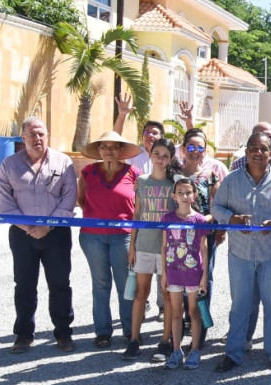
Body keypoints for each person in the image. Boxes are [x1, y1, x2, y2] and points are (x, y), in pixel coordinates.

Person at [211, 133, 271, 373]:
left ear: (270, 153)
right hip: (240, 254)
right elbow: (216, 207)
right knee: (240, 305)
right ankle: (234, 353)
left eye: (263, 149)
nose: (258, 153)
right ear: (246, 152)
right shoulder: (232, 180)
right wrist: (232, 219)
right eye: (253, 148)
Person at [0, 117, 78, 353]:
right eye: (32, 134)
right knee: (24, 285)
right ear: (23, 138)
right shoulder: (9, 165)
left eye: (41, 133)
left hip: (56, 234)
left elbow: (69, 198)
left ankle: (63, 333)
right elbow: (5, 203)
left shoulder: (63, 162)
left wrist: (47, 226)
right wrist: (29, 228)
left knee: (60, 284)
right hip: (22, 236)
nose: (37, 138)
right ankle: (23, 335)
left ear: (47, 136)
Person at [78, 131, 142, 348]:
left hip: (123, 237)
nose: (109, 151)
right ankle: (103, 331)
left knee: (126, 284)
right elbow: (81, 200)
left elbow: (139, 206)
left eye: (114, 147)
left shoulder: (134, 173)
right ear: (98, 150)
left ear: (121, 150)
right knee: (100, 283)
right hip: (92, 237)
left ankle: (130, 330)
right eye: (104, 146)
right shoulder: (87, 172)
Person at [123, 138, 180, 360]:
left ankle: (165, 341)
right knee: (141, 293)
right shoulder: (142, 181)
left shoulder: (175, 183)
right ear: (150, 154)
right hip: (144, 245)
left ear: (171, 159)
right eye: (157, 154)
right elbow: (137, 214)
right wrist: (132, 245)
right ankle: (134, 339)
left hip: (167, 248)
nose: (160, 159)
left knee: (167, 295)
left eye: (165, 156)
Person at [159, 176, 211, 369]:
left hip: (193, 273)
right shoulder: (167, 219)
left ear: (194, 195)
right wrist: (164, 273)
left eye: (188, 192)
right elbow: (164, 247)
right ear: (174, 196)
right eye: (180, 192)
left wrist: (204, 276)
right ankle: (176, 350)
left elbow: (204, 249)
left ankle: (195, 350)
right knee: (175, 312)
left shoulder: (199, 220)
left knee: (193, 312)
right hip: (173, 272)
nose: (184, 196)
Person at [112, 93, 162, 172]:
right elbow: (114, 142)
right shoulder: (134, 153)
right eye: (147, 132)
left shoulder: (167, 157)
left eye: (154, 133)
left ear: (162, 138)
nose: (150, 135)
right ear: (142, 137)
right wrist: (122, 115)